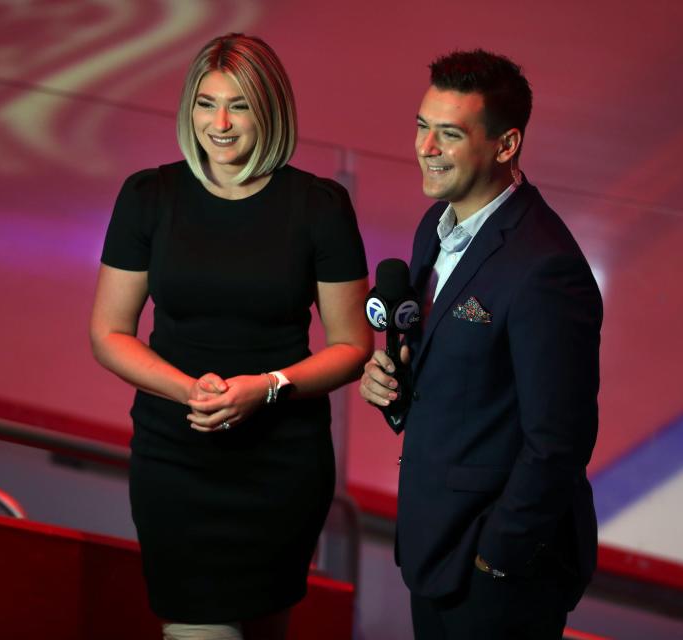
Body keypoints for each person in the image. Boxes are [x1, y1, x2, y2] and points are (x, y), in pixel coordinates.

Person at [90, 33, 372, 640]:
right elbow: (109, 333)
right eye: (205, 102)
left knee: (266, 630)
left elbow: (353, 347)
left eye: (239, 105)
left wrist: (266, 388)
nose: (219, 123)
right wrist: (190, 390)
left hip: (281, 465)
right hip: (175, 459)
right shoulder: (148, 196)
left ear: (270, 110)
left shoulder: (320, 206)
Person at [359, 49, 603, 639]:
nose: (426, 147)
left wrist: (496, 558)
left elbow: (559, 442)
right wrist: (392, 386)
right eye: (422, 126)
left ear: (506, 144)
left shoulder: (545, 267)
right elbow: (452, 377)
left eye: (449, 133)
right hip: (433, 548)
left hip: (498, 574)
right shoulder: (435, 228)